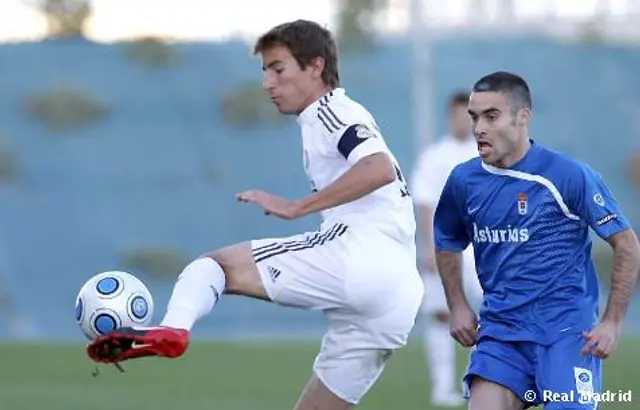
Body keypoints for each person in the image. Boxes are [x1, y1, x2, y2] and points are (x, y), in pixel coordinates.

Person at [86, 19, 424, 410]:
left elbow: (378, 167)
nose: (268, 84)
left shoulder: (333, 112)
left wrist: (297, 206)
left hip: (359, 256)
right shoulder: (328, 119)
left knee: (212, 267)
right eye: (265, 72)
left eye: (278, 69)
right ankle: (171, 330)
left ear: (315, 66)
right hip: (396, 296)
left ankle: (174, 330)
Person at [433, 71, 640, 410]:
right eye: (474, 117)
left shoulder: (568, 175)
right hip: (501, 335)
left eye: (491, 116)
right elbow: (446, 240)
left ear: (523, 116)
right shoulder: (464, 181)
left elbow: (627, 243)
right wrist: (456, 304)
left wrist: (612, 321)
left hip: (566, 335)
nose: (478, 128)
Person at [410, 91, 483, 407]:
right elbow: (424, 203)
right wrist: (430, 247)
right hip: (447, 247)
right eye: (455, 114)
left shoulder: (487, 154)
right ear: (448, 116)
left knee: (489, 315)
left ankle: (479, 383)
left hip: (483, 248)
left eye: (467, 115)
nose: (461, 121)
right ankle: (442, 388)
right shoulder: (434, 155)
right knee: (442, 316)